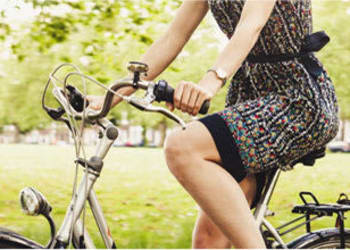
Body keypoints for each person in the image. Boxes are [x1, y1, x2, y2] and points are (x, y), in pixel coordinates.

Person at [89, 0, 339, 248]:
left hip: (297, 100)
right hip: (251, 99)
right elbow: (172, 38)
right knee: (209, 240)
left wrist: (211, 81)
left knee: (182, 146)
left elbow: (251, 24)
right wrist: (109, 99)